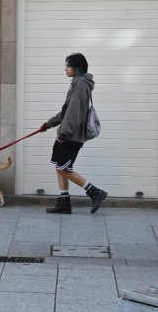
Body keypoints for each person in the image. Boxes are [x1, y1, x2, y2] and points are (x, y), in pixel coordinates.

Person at [40, 53, 107, 214]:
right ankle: (64, 202)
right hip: (67, 133)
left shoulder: (81, 85)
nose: (66, 68)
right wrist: (49, 123)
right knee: (60, 166)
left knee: (63, 168)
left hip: (71, 136)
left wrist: (64, 134)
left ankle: (95, 192)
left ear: (77, 68)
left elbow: (74, 113)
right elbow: (66, 111)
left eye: (68, 66)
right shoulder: (76, 83)